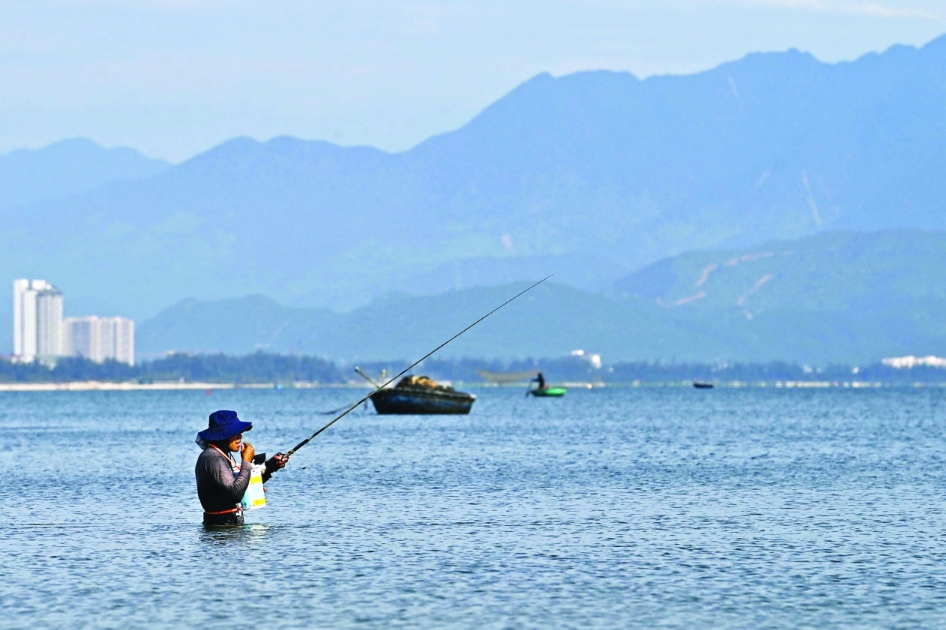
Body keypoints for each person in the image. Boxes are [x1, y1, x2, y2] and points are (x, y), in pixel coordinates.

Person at [195, 410, 289, 526]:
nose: (240, 436)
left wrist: (270, 467)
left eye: (240, 432)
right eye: (235, 433)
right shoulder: (214, 458)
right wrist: (246, 461)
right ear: (223, 435)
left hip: (228, 529)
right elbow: (236, 492)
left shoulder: (221, 455)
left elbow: (241, 483)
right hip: (222, 532)